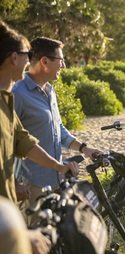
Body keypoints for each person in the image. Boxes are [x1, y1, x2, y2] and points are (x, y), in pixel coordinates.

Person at [1, 20, 78, 254]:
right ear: (15, 57)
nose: (29, 59)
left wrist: (59, 166)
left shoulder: (7, 100)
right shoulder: (15, 96)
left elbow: (25, 142)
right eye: (27, 54)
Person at [12, 37, 100, 225]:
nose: (63, 65)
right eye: (60, 60)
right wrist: (15, 182)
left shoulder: (50, 90)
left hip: (56, 179)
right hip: (30, 186)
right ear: (45, 62)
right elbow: (9, 142)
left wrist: (84, 148)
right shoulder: (17, 93)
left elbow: (59, 130)